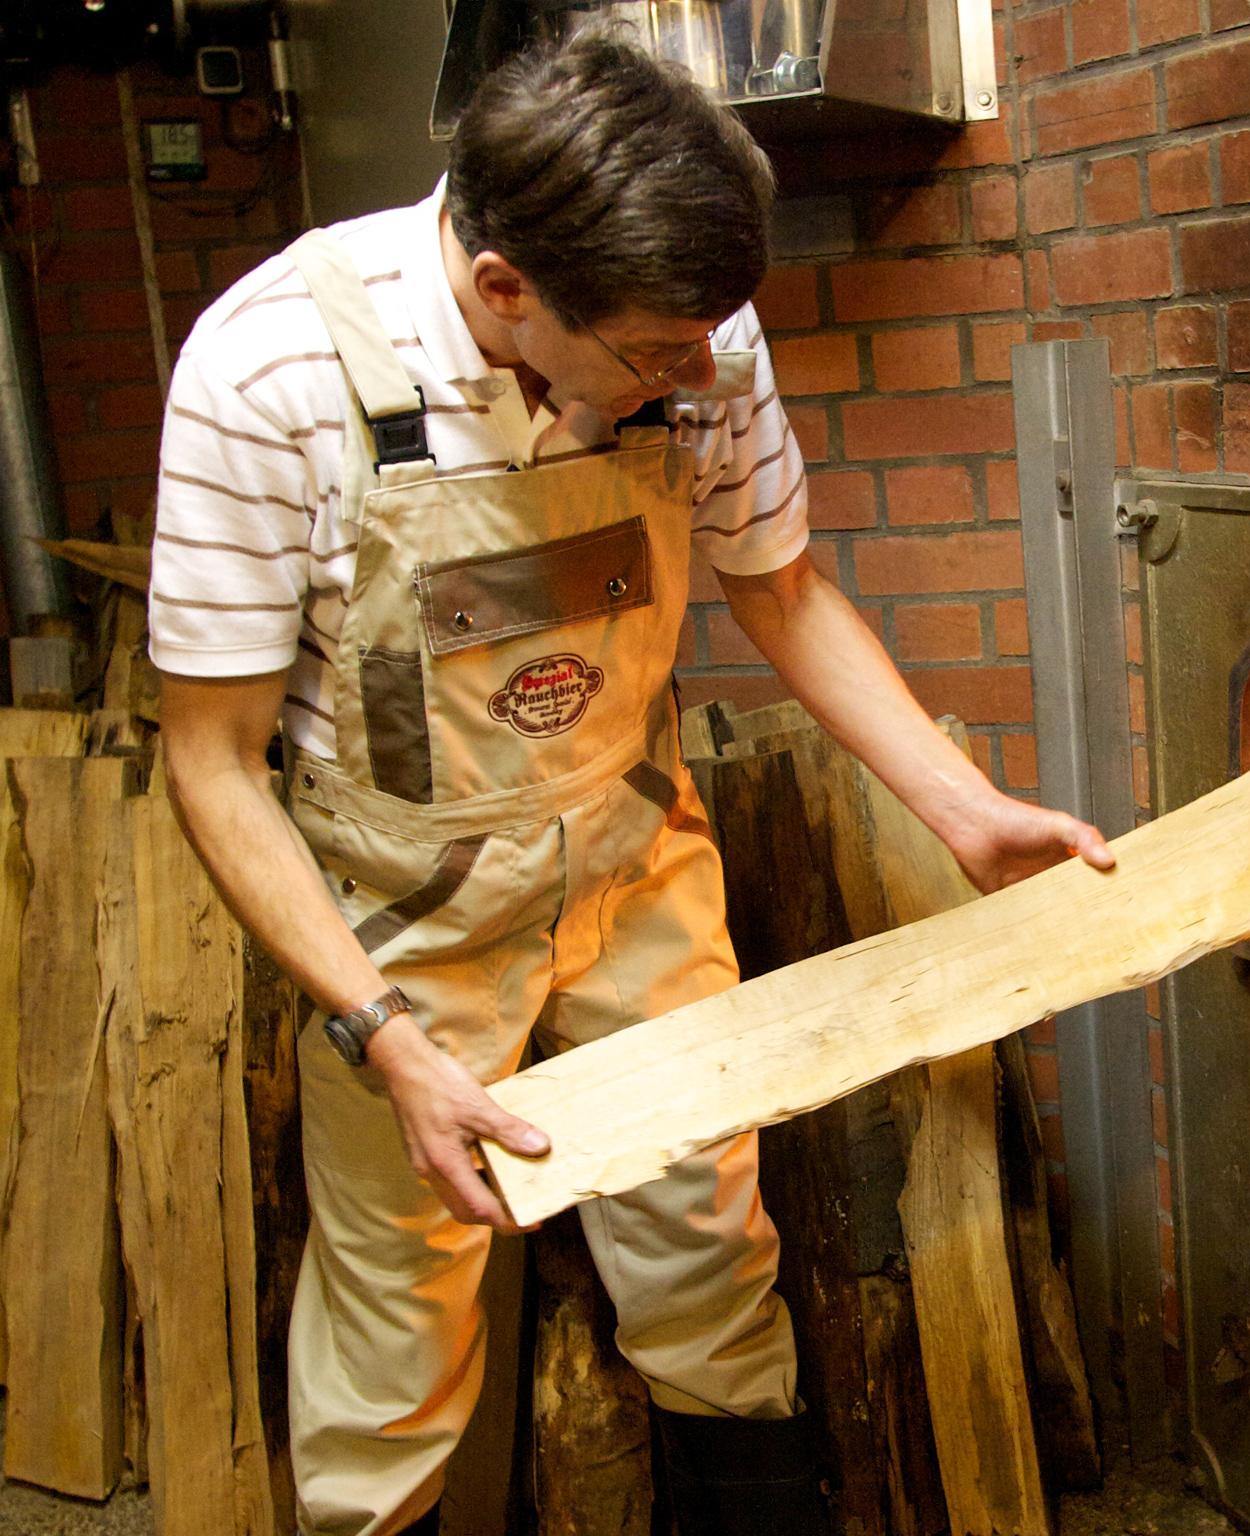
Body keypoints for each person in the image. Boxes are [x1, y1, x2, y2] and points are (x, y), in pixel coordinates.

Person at [151, 27, 1112, 1536]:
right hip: (400, 927)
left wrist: (963, 810)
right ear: (505, 292)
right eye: (659, 355)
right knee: (397, 1328)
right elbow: (209, 763)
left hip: (629, 857)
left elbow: (780, 588)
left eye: (708, 339)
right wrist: (379, 1030)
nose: (702, 375)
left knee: (709, 1254)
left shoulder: (696, 328)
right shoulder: (269, 373)